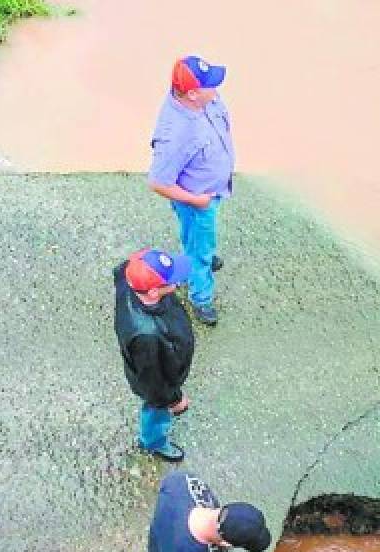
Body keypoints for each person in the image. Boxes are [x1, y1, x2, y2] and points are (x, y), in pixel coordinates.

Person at [147, 55, 236, 326]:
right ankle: (201, 298)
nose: (217, 89)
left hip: (212, 191)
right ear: (193, 93)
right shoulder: (176, 133)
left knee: (199, 242)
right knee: (199, 250)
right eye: (211, 85)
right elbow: (158, 181)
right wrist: (196, 200)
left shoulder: (202, 100)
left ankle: (201, 258)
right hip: (198, 201)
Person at [113, 248, 195, 462]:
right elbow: (153, 383)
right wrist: (173, 399)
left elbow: (121, 269)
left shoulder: (129, 282)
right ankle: (153, 441)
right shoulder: (146, 337)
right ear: (153, 293)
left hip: (164, 355)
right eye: (171, 281)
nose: (177, 283)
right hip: (157, 381)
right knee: (155, 409)